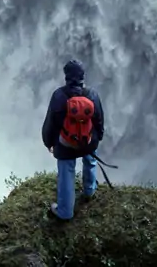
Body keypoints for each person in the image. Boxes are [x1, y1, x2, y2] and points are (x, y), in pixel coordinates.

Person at [41, 59, 105, 220]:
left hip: (66, 144)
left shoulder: (58, 96)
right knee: (90, 159)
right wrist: (99, 137)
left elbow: (51, 123)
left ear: (66, 76)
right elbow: (99, 119)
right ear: (83, 76)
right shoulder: (92, 94)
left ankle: (65, 211)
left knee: (66, 173)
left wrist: (48, 142)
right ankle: (89, 190)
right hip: (87, 142)